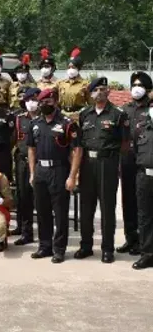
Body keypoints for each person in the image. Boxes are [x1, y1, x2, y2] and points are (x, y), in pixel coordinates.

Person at [76, 77, 129, 264]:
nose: (100, 92)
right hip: (87, 165)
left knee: (107, 208)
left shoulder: (117, 114)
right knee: (86, 207)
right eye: (96, 89)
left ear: (108, 92)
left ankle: (107, 249)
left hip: (107, 163)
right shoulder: (84, 114)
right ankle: (86, 246)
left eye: (103, 88)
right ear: (91, 93)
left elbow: (124, 143)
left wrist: (112, 159)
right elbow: (79, 143)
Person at [27, 88, 82, 263]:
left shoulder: (67, 123)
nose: (44, 105)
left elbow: (77, 150)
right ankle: (45, 246)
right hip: (40, 171)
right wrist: (32, 172)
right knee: (42, 212)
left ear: (55, 102)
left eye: (48, 102)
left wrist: (72, 176)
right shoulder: (35, 123)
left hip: (59, 171)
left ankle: (59, 249)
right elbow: (31, 149)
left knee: (60, 212)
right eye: (42, 102)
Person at [119, 71, 152, 255]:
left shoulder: (151, 110)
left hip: (143, 161)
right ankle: (130, 238)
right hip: (126, 160)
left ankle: (143, 241)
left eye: (140, 86)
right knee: (128, 201)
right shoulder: (125, 109)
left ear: (147, 90)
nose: (136, 89)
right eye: (134, 85)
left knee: (143, 204)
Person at [12, 87, 40, 244]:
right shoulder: (19, 119)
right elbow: (14, 140)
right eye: (29, 100)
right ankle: (24, 230)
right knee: (23, 197)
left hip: (40, 162)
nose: (32, 103)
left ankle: (43, 232)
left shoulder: (44, 118)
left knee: (40, 198)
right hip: (22, 161)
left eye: (35, 100)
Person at [133, 101, 153, 269]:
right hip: (144, 176)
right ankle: (147, 254)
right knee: (144, 216)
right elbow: (134, 151)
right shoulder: (140, 128)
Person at [57, 47, 90, 122]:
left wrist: (80, 113)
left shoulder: (85, 84)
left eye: (73, 67)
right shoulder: (61, 83)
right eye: (69, 67)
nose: (70, 69)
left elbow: (91, 104)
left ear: (78, 68)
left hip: (78, 116)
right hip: (63, 116)